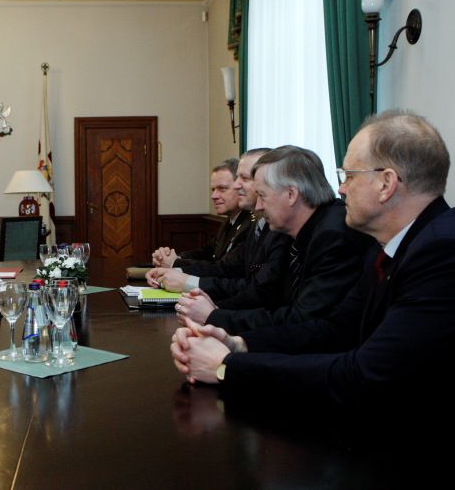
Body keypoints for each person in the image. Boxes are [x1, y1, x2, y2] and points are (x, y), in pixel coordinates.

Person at [171, 110, 454, 439]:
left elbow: (366, 375)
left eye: (348, 176)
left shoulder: (441, 252)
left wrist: (227, 367)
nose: (341, 189)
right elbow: (335, 329)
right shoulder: (394, 245)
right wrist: (238, 344)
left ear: (386, 183)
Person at [166, 145, 372, 333]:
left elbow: (304, 320)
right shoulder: (305, 227)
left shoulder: (332, 234)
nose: (258, 207)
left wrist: (217, 318)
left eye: (262, 195)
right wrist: (215, 312)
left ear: (291, 194)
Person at [145, 149, 291, 309]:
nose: (237, 185)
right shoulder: (255, 222)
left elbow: (261, 291)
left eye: (245, 178)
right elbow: (227, 267)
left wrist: (190, 285)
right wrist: (176, 268)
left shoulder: (278, 228)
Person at [152, 158, 252, 269]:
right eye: (213, 190)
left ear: (240, 188)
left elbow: (225, 268)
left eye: (222, 189)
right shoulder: (230, 220)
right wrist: (172, 257)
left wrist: (175, 263)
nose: (213, 196)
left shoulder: (250, 225)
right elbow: (208, 252)